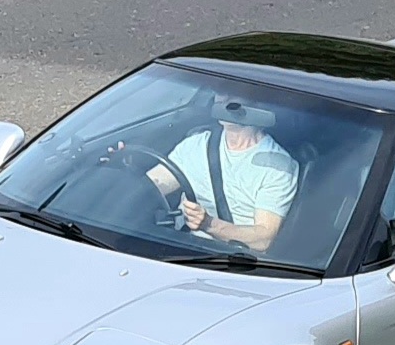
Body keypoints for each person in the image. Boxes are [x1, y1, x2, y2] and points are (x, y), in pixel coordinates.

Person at [114, 96, 299, 252]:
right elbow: (153, 186)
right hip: (180, 245)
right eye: (220, 90)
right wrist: (123, 171)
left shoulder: (278, 165)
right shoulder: (196, 144)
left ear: (255, 100)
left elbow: (263, 238)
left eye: (233, 91)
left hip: (236, 261)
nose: (223, 97)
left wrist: (209, 224)